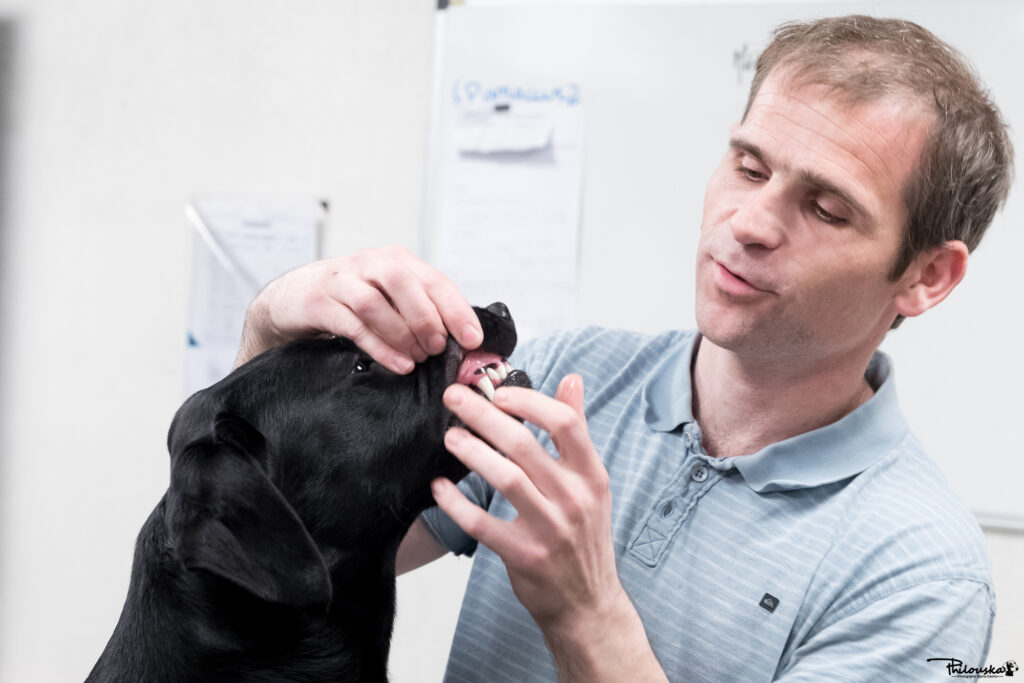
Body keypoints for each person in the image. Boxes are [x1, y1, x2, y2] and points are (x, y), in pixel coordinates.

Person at [234, 15, 1012, 682]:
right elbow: (276, 557)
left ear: (927, 276)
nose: (750, 222)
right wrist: (269, 339)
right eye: (748, 166)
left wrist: (588, 617)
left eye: (827, 206)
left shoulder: (921, 574)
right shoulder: (573, 375)